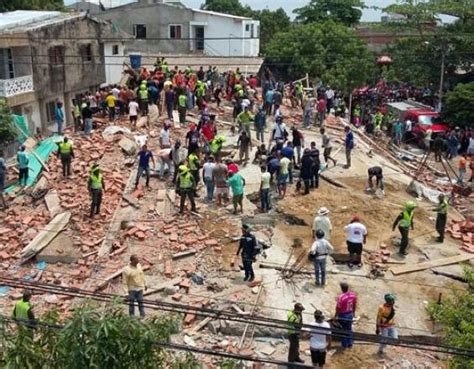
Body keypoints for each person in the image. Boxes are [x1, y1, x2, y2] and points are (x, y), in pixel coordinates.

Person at [335, 282, 357, 349]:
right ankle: (350, 343)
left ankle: (344, 345)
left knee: (343, 330)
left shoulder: (341, 297)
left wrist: (335, 315)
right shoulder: (353, 295)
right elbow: (354, 305)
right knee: (349, 329)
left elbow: (338, 308)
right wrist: (353, 312)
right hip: (350, 314)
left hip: (343, 315)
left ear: (341, 288)